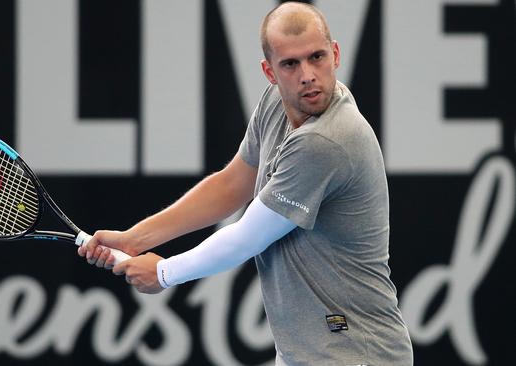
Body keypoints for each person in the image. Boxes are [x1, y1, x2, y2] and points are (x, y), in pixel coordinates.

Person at [79, 2, 413, 365]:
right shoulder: (276, 104)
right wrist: (135, 238)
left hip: (356, 354)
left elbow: (248, 236)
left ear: (335, 54)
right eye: (290, 64)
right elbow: (231, 184)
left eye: (316, 57)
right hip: (305, 353)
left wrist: (163, 273)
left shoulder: (327, 140)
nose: (307, 75)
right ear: (270, 72)